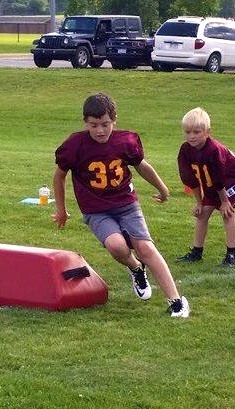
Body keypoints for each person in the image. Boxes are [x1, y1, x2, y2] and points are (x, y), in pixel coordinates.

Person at [52, 93, 190, 318]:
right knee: (117, 246)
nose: (99, 131)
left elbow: (141, 166)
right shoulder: (75, 144)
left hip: (126, 204)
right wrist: (61, 209)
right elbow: (59, 176)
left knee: (145, 247)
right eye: (94, 125)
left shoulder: (125, 141)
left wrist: (163, 188)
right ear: (85, 122)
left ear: (114, 120)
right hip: (95, 209)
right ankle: (136, 268)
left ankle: (176, 301)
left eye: (105, 124)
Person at [176, 107, 235, 266]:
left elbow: (219, 179)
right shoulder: (185, 150)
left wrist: (224, 201)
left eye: (196, 132)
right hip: (215, 181)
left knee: (227, 213)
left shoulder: (214, 150)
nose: (191, 136)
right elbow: (191, 179)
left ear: (207, 131)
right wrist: (199, 202)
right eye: (188, 132)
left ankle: (232, 255)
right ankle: (196, 252)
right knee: (203, 213)